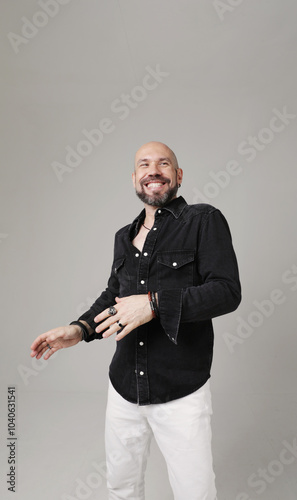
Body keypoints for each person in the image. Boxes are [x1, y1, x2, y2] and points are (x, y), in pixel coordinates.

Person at [30, 141, 241, 500]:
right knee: (121, 487)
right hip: (124, 387)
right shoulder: (123, 237)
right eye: (144, 165)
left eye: (164, 163)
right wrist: (79, 329)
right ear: (134, 178)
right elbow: (114, 294)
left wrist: (154, 303)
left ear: (178, 176)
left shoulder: (204, 220)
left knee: (195, 492)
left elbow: (226, 292)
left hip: (180, 390)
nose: (153, 170)